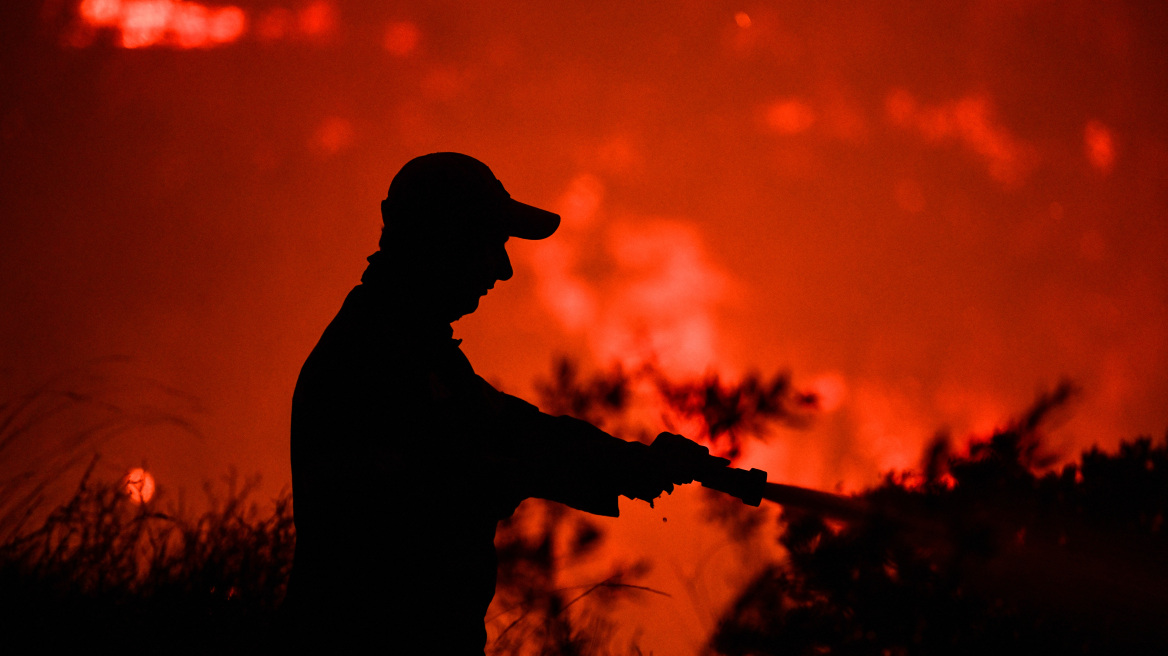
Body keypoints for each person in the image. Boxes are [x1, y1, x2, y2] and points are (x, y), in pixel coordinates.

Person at [287, 152, 719, 654]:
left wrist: (635, 462)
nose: (505, 269)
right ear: (443, 241)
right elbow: (443, 479)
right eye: (491, 244)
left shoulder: (414, 350)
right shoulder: (367, 358)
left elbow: (515, 430)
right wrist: (555, 471)